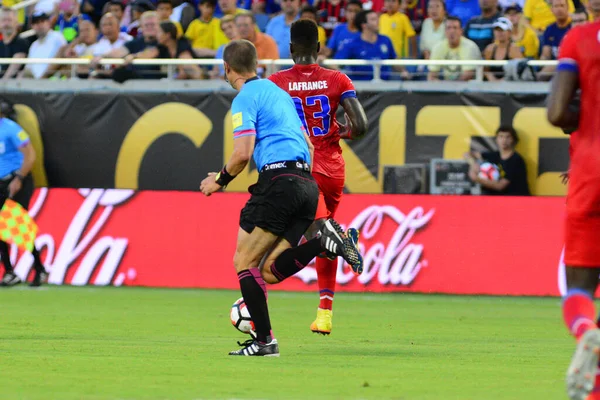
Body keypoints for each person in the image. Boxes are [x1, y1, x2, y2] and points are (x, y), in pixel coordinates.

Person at [199, 39, 362, 356]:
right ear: (257, 65)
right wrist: (300, 180)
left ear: (227, 69)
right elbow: (311, 146)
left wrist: (218, 181)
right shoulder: (281, 96)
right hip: (305, 182)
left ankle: (264, 341)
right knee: (270, 271)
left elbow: (242, 153)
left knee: (243, 262)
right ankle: (326, 242)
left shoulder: (246, 98)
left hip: (279, 181)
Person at [268, 19, 368, 335]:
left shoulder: (275, 82)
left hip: (299, 168)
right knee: (324, 235)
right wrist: (341, 133)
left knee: (303, 236)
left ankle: (253, 306)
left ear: (291, 48)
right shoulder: (338, 79)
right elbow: (361, 125)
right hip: (333, 169)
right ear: (319, 48)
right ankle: (324, 315)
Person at [546, 7, 600, 399]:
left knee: (578, 287)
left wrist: (584, 114)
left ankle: (586, 332)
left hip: (590, 172)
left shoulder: (578, 39)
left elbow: (557, 113)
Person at [0, 102, 48, 287]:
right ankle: (10, 272)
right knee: (2, 227)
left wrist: (19, 178)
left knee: (17, 224)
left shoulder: (12, 129)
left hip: (16, 182)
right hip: (1, 182)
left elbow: (30, 155)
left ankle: (38, 268)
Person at [464, 126, 530, 195]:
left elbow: (500, 186)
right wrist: (473, 163)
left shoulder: (516, 160)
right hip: (495, 200)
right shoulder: (494, 155)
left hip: (515, 200)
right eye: (501, 136)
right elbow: (467, 154)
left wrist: (476, 178)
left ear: (513, 140)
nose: (504, 140)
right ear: (496, 139)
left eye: (508, 137)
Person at [334, 10, 398, 80]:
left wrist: (404, 72)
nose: (378, 22)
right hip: (361, 88)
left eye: (377, 18)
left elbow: (395, 62)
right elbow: (335, 63)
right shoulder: (351, 44)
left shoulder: (386, 40)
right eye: (373, 19)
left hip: (386, 86)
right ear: (364, 25)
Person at [428, 16, 482, 81]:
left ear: (461, 31)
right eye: (448, 28)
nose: (452, 31)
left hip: (469, 87)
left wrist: (448, 87)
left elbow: (468, 75)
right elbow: (432, 74)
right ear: (445, 31)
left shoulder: (470, 47)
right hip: (446, 85)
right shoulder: (437, 47)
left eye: (455, 28)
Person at [0, 8, 30, 79]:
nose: (6, 24)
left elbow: (12, 71)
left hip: (14, 87)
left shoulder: (21, 43)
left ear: (16, 23)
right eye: (3, 20)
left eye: (9, 20)